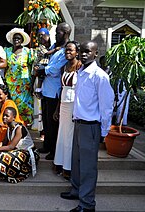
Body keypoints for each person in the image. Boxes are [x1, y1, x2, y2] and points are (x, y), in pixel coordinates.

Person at [60, 41, 114, 212]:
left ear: (96, 54)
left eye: (88, 52)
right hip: (78, 123)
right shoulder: (81, 72)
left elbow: (107, 106)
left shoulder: (99, 76)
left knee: (88, 167)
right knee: (76, 162)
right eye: (81, 52)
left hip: (91, 126)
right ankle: (76, 191)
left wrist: (104, 131)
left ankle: (87, 204)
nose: (83, 55)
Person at [36, 22, 71, 160]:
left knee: (53, 123)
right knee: (45, 120)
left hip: (55, 92)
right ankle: (47, 145)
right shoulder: (54, 47)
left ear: (66, 33)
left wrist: (43, 70)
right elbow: (46, 58)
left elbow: (56, 69)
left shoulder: (66, 50)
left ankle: (54, 150)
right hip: (46, 89)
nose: (56, 35)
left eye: (58, 32)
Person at [0, 107, 39, 183]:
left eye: (7, 116)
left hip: (28, 154)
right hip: (19, 152)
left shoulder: (19, 128)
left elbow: (10, 147)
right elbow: (3, 143)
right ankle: (5, 173)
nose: (4, 117)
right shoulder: (9, 128)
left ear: (13, 118)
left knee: (4, 156)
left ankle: (15, 174)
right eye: (4, 115)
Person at [53, 41, 81, 180]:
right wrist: (57, 108)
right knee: (62, 134)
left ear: (77, 52)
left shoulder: (80, 66)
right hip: (64, 103)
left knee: (69, 136)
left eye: (71, 50)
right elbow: (61, 89)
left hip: (74, 105)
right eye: (66, 50)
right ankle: (59, 162)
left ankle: (68, 168)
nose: (68, 52)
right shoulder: (64, 67)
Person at [4, 28, 34, 126]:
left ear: (22, 40)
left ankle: (25, 126)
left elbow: (33, 67)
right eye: (15, 38)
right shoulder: (7, 51)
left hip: (24, 86)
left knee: (24, 106)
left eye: (19, 38)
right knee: (13, 105)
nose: (16, 40)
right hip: (11, 85)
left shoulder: (28, 52)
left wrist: (33, 84)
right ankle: (13, 124)